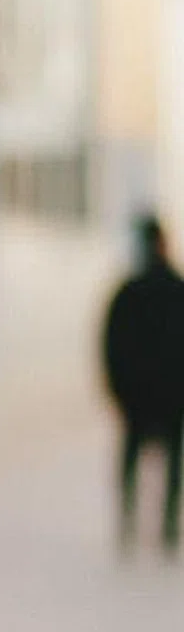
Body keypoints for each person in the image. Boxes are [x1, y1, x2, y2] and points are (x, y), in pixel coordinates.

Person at [103, 213, 184, 556]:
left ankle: (129, 523)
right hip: (171, 395)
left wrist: (118, 390)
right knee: (171, 466)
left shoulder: (129, 291)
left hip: (138, 397)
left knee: (133, 460)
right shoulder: (176, 290)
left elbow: (111, 345)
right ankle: (164, 527)